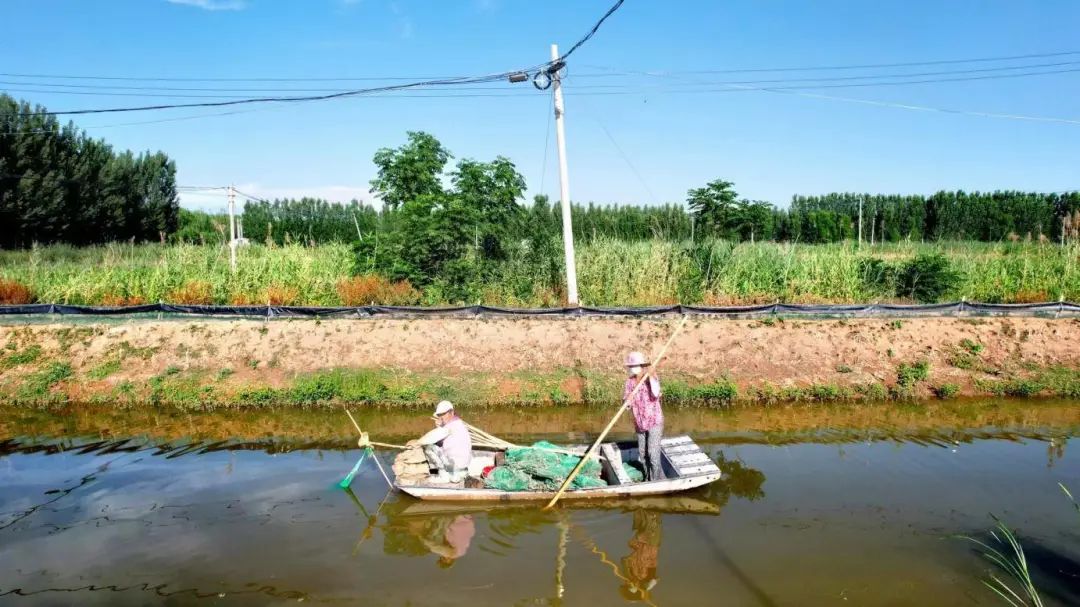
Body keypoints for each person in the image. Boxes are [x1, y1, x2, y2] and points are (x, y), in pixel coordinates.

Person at [624, 351, 665, 481]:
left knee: (653, 454)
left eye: (634, 366)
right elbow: (626, 404)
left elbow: (656, 393)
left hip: (654, 421)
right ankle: (648, 478)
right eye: (631, 366)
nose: (632, 369)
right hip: (640, 423)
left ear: (641, 366)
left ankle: (655, 480)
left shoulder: (650, 378)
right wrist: (627, 401)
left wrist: (652, 376)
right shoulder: (630, 382)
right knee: (642, 454)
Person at [417, 400, 472, 483]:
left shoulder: (448, 427)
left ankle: (440, 475)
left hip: (454, 467)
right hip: (463, 466)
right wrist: (441, 426)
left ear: (451, 413)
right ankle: (456, 474)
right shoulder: (458, 423)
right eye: (439, 415)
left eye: (443, 414)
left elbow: (431, 441)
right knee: (437, 448)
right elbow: (441, 441)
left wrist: (439, 428)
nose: (441, 417)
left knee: (428, 448)